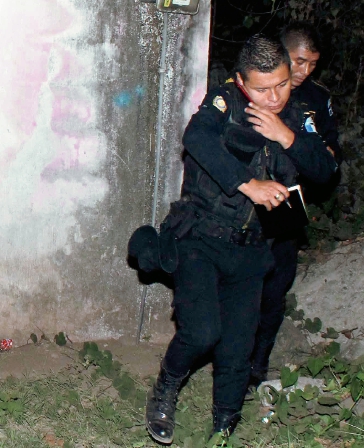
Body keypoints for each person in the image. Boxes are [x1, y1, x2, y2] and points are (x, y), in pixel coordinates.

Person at [146, 35, 338, 444]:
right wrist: (248, 183)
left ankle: (223, 428)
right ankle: (165, 388)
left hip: (253, 248)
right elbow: (196, 139)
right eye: (262, 89)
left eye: (282, 84)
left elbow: (326, 171)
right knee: (201, 332)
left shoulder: (300, 112)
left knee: (237, 349)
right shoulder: (225, 102)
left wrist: (286, 135)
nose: (274, 97)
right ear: (240, 82)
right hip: (201, 238)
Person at [246, 25, 341, 386]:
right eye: (299, 62)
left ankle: (258, 366)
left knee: (276, 289)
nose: (304, 72)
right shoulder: (256, 87)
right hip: (248, 202)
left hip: (288, 204)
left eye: (313, 64)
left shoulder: (316, 98)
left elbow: (330, 154)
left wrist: (315, 150)